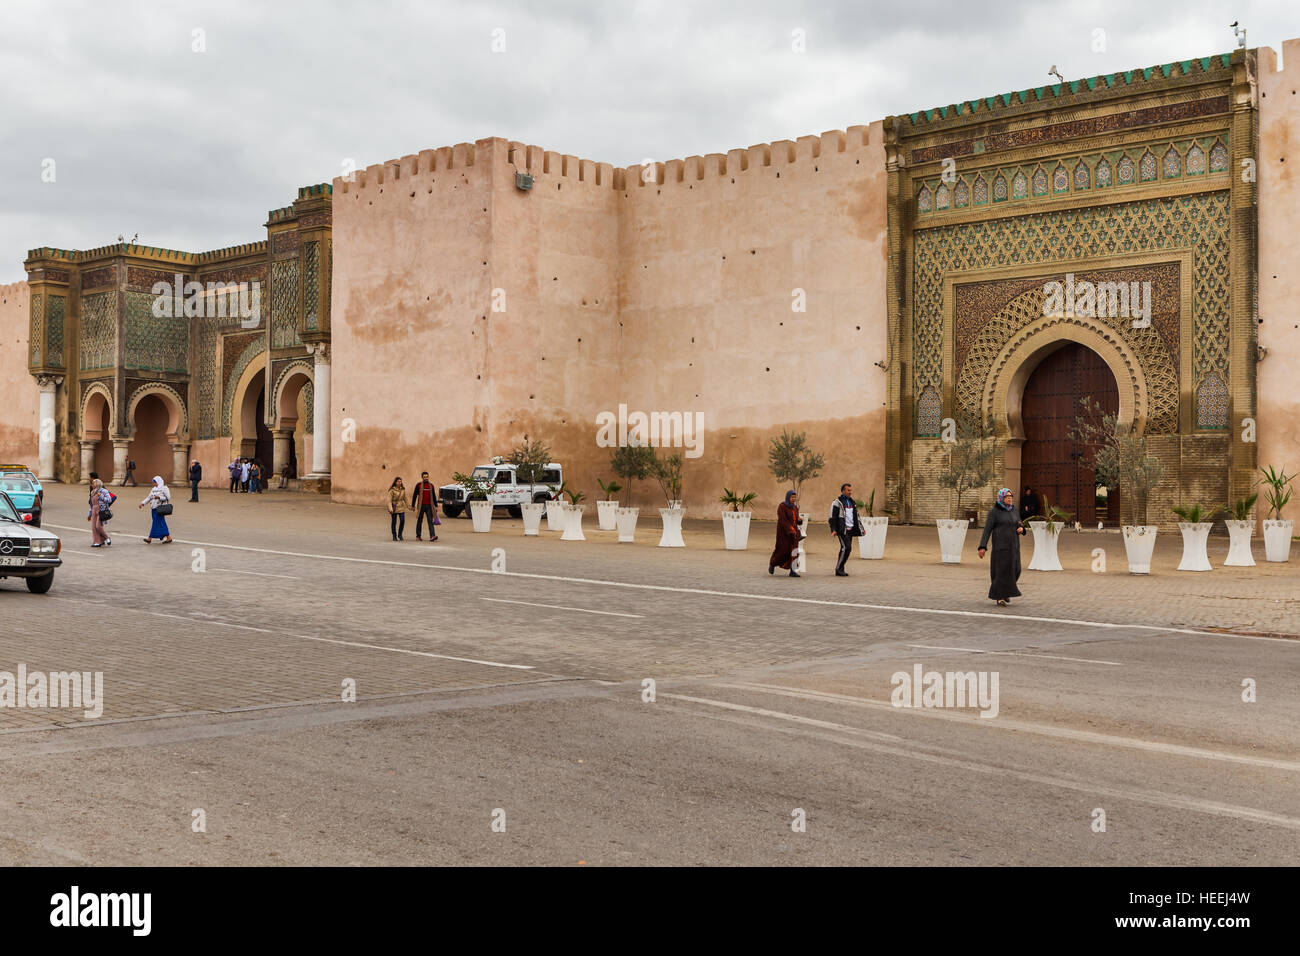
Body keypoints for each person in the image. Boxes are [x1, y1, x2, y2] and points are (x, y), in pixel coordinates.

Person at [978, 487, 1027, 606]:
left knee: (1016, 570)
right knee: (1001, 572)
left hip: (1014, 547)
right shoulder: (994, 512)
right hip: (1001, 548)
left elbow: (1020, 523)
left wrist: (1022, 529)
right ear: (1001, 498)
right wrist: (982, 546)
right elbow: (987, 530)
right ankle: (999, 596)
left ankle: (1005, 592)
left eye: (1011, 496)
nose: (1010, 498)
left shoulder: (1014, 510)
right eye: (1007, 496)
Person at [828, 482, 863, 577]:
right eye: (848, 490)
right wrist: (833, 529)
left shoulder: (852, 502)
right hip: (841, 530)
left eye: (851, 490)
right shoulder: (837, 502)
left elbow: (856, 516)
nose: (850, 492)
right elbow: (832, 517)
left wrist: (861, 528)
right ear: (843, 491)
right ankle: (838, 569)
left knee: (846, 549)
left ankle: (840, 568)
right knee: (846, 547)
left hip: (850, 529)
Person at [768, 490, 802, 577]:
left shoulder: (795, 508)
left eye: (794, 497)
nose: (793, 499)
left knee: (794, 551)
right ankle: (772, 564)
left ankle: (793, 570)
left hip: (793, 534)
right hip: (783, 533)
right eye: (792, 497)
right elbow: (783, 520)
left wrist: (799, 521)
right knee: (782, 550)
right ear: (788, 497)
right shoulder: (782, 506)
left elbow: (796, 520)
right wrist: (790, 529)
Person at [139, 475, 173, 544]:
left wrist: (159, 497)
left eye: (155, 482)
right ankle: (169, 537)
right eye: (154, 482)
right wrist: (143, 503)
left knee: (156, 523)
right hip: (153, 508)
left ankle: (149, 538)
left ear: (159, 481)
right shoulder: (153, 489)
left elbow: (168, 498)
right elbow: (149, 498)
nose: (154, 484)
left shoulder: (164, 488)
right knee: (161, 523)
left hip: (160, 509)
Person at [410, 471, 440, 541]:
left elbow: (434, 496)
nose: (426, 478)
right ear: (422, 477)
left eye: (427, 477)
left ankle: (432, 536)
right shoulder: (418, 485)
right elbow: (414, 495)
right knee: (419, 521)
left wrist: (436, 505)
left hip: (429, 506)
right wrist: (413, 505)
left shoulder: (431, 486)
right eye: (424, 477)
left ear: (428, 477)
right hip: (421, 506)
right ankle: (418, 536)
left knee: (430, 521)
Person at [87, 478, 112, 547]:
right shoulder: (92, 492)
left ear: (97, 484)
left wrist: (100, 496)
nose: (92, 485)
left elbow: (109, 500)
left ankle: (107, 538)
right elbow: (91, 505)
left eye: (93, 483)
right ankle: (97, 542)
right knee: (93, 527)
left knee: (98, 526)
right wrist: (89, 515)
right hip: (94, 510)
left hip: (101, 510)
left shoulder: (104, 491)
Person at [387, 477, 409, 541]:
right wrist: (390, 509)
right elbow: (389, 500)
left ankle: (400, 534)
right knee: (394, 522)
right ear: (395, 482)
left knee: (402, 521)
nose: (400, 483)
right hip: (394, 507)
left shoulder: (403, 489)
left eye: (400, 481)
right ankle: (394, 535)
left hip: (401, 507)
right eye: (398, 481)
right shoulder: (392, 490)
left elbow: (405, 499)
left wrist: (409, 507)